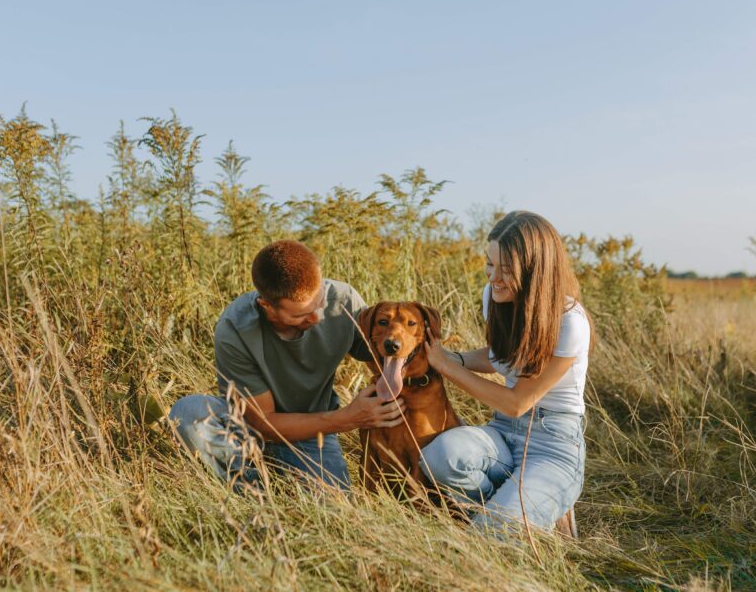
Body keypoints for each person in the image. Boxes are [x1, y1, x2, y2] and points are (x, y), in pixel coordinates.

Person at [169, 239, 406, 490]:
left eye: (319, 303)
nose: (315, 318)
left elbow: (385, 355)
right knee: (188, 414)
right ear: (267, 307)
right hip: (246, 427)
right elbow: (265, 423)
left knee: (332, 512)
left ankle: (284, 488)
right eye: (300, 315)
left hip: (313, 432)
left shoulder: (343, 301)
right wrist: (348, 418)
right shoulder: (235, 328)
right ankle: (252, 495)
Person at [420, 211, 593, 535]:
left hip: (553, 444)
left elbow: (517, 402)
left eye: (507, 270)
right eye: (490, 264)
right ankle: (513, 511)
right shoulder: (496, 297)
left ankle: (524, 513)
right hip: (504, 431)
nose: (494, 277)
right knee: (440, 458)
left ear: (535, 272)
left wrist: (445, 367)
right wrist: (451, 357)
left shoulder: (569, 321)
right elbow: (502, 357)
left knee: (497, 528)